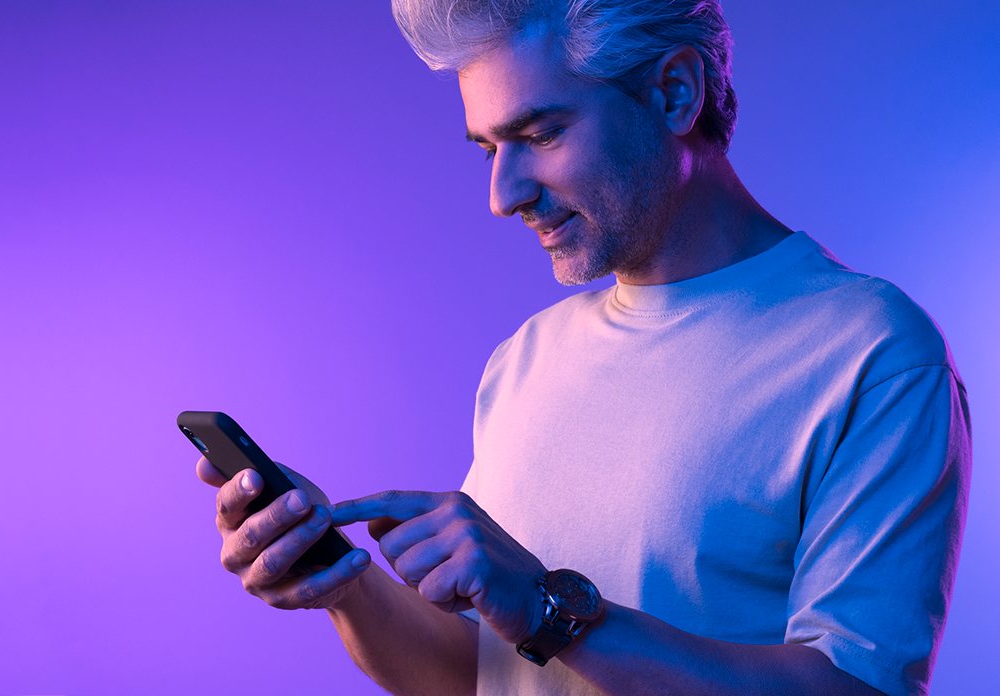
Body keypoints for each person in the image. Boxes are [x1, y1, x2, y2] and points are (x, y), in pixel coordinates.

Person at [195, 1, 971, 694]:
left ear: (673, 92)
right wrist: (343, 584)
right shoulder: (526, 356)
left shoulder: (871, 354)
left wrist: (546, 606)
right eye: (485, 148)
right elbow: (486, 679)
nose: (503, 195)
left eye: (538, 133)